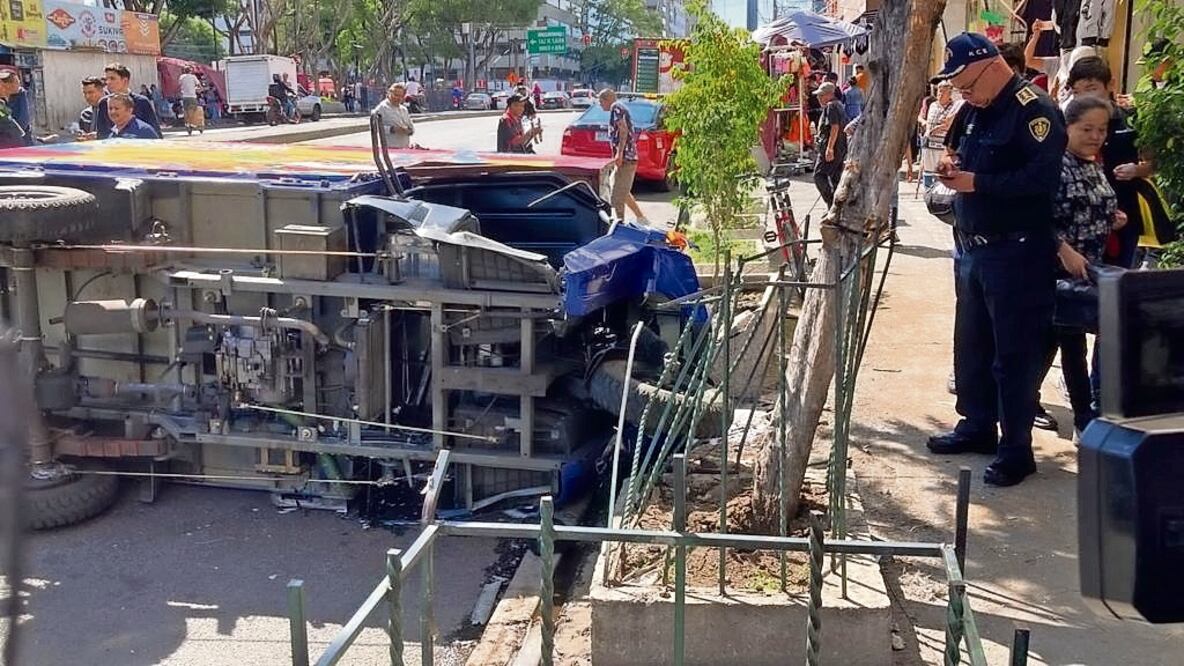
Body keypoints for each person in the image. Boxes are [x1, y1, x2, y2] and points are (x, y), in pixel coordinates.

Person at [926, 33, 1066, 487]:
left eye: (965, 83)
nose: (961, 93)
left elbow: (1040, 179)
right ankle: (977, 425)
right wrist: (951, 167)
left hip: (1017, 250)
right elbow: (955, 148)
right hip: (973, 247)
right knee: (972, 346)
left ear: (989, 66)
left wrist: (978, 183)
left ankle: (1016, 449)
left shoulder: (1035, 111)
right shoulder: (973, 108)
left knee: (1013, 353)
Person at [1047, 96, 1123, 437]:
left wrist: (1112, 218)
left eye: (1102, 130)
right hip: (1058, 272)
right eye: (1087, 128)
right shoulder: (1055, 166)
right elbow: (1037, 220)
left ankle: (1087, 414)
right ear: (1068, 127)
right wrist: (1063, 250)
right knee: (1068, 347)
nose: (1095, 136)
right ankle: (1080, 419)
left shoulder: (1093, 163)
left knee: (1084, 343)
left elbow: (1095, 206)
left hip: (1091, 270)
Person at [598, 88, 648, 223]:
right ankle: (641, 217)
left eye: (601, 102)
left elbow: (623, 130)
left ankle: (619, 225)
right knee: (622, 190)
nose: (600, 105)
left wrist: (620, 154)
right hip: (626, 158)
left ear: (606, 99)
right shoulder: (619, 107)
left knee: (616, 197)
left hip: (626, 158)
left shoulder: (616, 108)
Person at [95, 62, 161, 139]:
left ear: (125, 81)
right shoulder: (103, 103)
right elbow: (101, 134)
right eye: (106, 79)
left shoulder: (141, 102)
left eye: (112, 78)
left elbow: (155, 134)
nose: (108, 82)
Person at [812, 81, 847, 207]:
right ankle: (837, 208)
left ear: (829, 94)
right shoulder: (838, 105)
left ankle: (832, 203)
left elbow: (835, 127)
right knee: (835, 178)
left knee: (819, 175)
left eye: (821, 95)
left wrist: (829, 148)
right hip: (840, 148)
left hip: (833, 148)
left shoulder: (832, 106)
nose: (819, 98)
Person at [918, 81, 960, 186]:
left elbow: (953, 124)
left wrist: (940, 127)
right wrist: (925, 123)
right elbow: (921, 117)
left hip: (943, 146)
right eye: (939, 91)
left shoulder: (954, 107)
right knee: (927, 170)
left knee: (941, 170)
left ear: (949, 93)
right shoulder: (932, 105)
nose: (939, 94)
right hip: (929, 144)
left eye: (943, 92)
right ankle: (927, 193)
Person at [372, 83, 414, 149]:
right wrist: (392, 129)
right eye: (396, 95)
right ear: (389, 93)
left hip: (405, 148)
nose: (398, 98)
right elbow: (374, 127)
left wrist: (408, 130)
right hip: (389, 149)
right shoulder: (382, 108)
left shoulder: (404, 109)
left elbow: (411, 128)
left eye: (401, 96)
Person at [0, 69, 32, 145]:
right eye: (16, 82)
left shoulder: (20, 93)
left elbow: (22, 123)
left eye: (18, 82)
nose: (19, 84)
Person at [178, 65, 203, 135]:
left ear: (184, 71)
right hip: (192, 97)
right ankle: (195, 124)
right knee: (194, 111)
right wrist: (199, 89)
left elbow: (179, 85)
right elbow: (199, 85)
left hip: (185, 97)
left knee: (186, 111)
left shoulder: (182, 77)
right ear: (190, 71)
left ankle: (188, 125)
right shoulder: (193, 77)